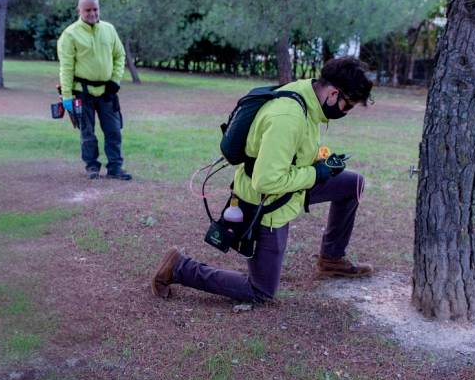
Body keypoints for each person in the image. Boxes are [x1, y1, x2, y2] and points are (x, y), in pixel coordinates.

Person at [151, 57, 374, 303]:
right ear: (333, 93)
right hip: (266, 202)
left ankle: (332, 260)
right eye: (348, 106)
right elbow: (266, 181)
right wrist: (316, 174)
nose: (346, 112)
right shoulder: (288, 118)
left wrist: (320, 165)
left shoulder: (308, 93)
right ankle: (179, 267)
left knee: (352, 183)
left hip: (290, 184)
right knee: (261, 291)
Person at [57, 0, 131, 180]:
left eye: (95, 9)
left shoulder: (109, 29)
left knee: (114, 130)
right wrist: (66, 96)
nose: (92, 13)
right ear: (79, 10)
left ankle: (115, 167)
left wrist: (115, 81)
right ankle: (92, 166)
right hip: (82, 93)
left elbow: (119, 56)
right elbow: (66, 67)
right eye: (87, 10)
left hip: (107, 91)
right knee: (87, 132)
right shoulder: (69, 34)